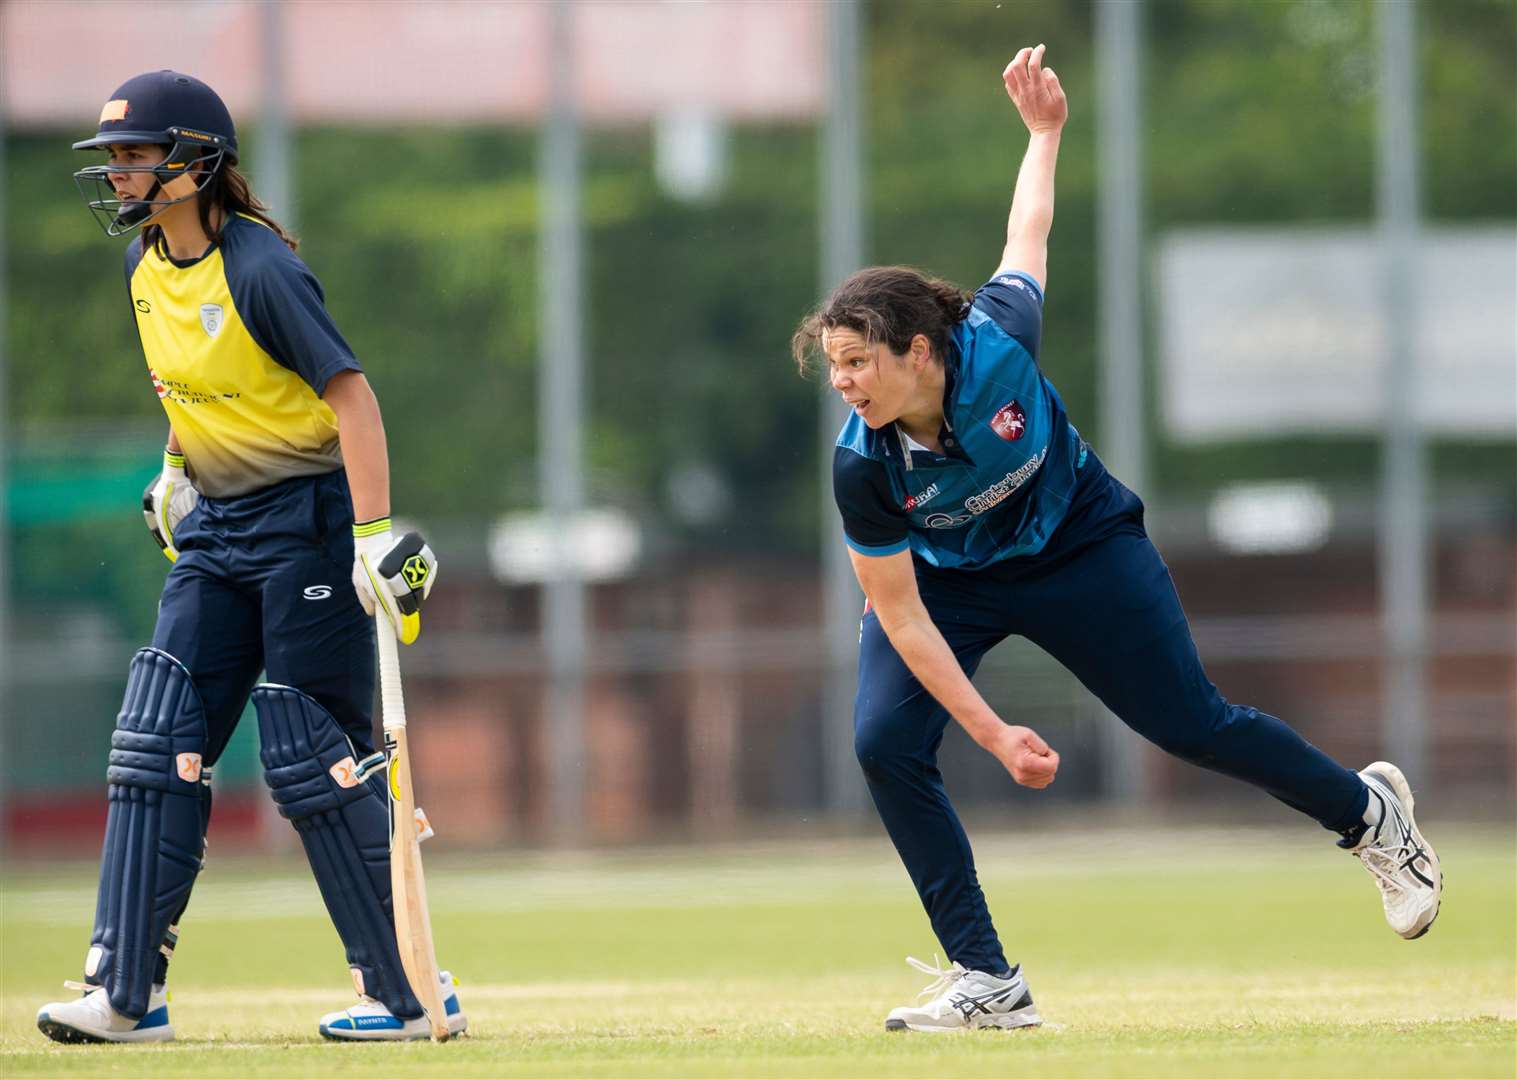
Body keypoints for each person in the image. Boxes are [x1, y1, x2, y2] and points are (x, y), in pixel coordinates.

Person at [792, 45, 1441, 1034]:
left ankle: (1369, 821)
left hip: (1078, 549)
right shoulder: (861, 464)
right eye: (831, 366)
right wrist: (991, 731)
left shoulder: (995, 343)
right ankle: (986, 981)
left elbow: (1026, 237)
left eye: (855, 362)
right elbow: (900, 619)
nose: (842, 383)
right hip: (948, 586)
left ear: (917, 351)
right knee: (883, 742)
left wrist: (1044, 133)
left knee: (1191, 723)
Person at [37, 70, 464, 1044]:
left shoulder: (261, 268)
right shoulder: (148, 270)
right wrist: (172, 472)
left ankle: (409, 990)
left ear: (194, 161)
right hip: (219, 531)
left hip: (308, 524)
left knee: (312, 751)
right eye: (113, 160)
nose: (120, 176)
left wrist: (372, 531)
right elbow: (196, 394)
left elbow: (349, 396)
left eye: (136, 157)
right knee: (156, 735)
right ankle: (125, 994)